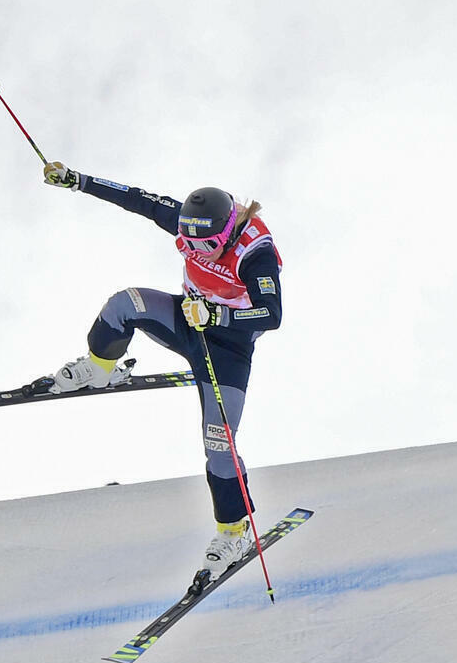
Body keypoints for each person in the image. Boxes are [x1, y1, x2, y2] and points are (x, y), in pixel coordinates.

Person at [39, 162, 283, 590]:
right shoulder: (190, 222)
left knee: (219, 444)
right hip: (187, 321)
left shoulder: (255, 252)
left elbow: (272, 314)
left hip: (227, 348)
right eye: (190, 243)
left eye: (208, 244)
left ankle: (234, 532)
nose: (198, 250)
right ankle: (99, 369)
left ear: (228, 232)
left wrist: (218, 315)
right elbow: (136, 199)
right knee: (124, 304)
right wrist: (78, 180)